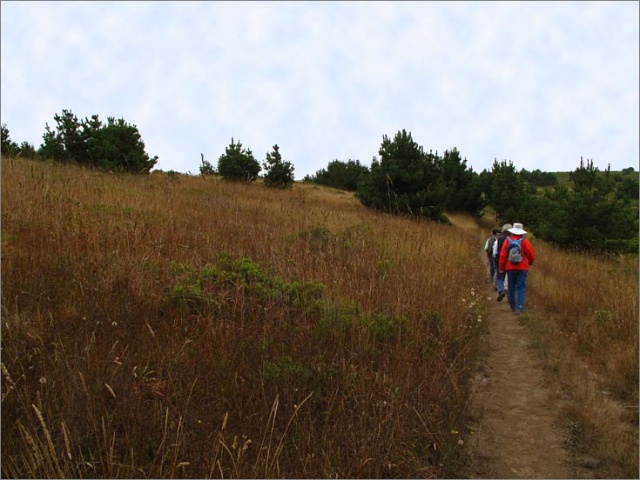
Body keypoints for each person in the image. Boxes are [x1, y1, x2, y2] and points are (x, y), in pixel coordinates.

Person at [498, 222, 535, 314]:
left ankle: (513, 307)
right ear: (522, 232)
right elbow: (531, 254)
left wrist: (502, 267)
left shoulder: (507, 241)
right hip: (523, 267)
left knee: (511, 287)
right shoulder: (525, 241)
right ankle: (519, 307)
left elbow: (502, 255)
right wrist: (528, 263)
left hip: (510, 267)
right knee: (521, 287)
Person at [493, 223, 512, 301]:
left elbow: (495, 251)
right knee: (510, 279)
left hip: (500, 261)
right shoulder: (513, 238)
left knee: (500, 277)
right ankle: (509, 295)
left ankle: (501, 290)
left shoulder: (499, 239)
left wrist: (495, 259)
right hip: (511, 262)